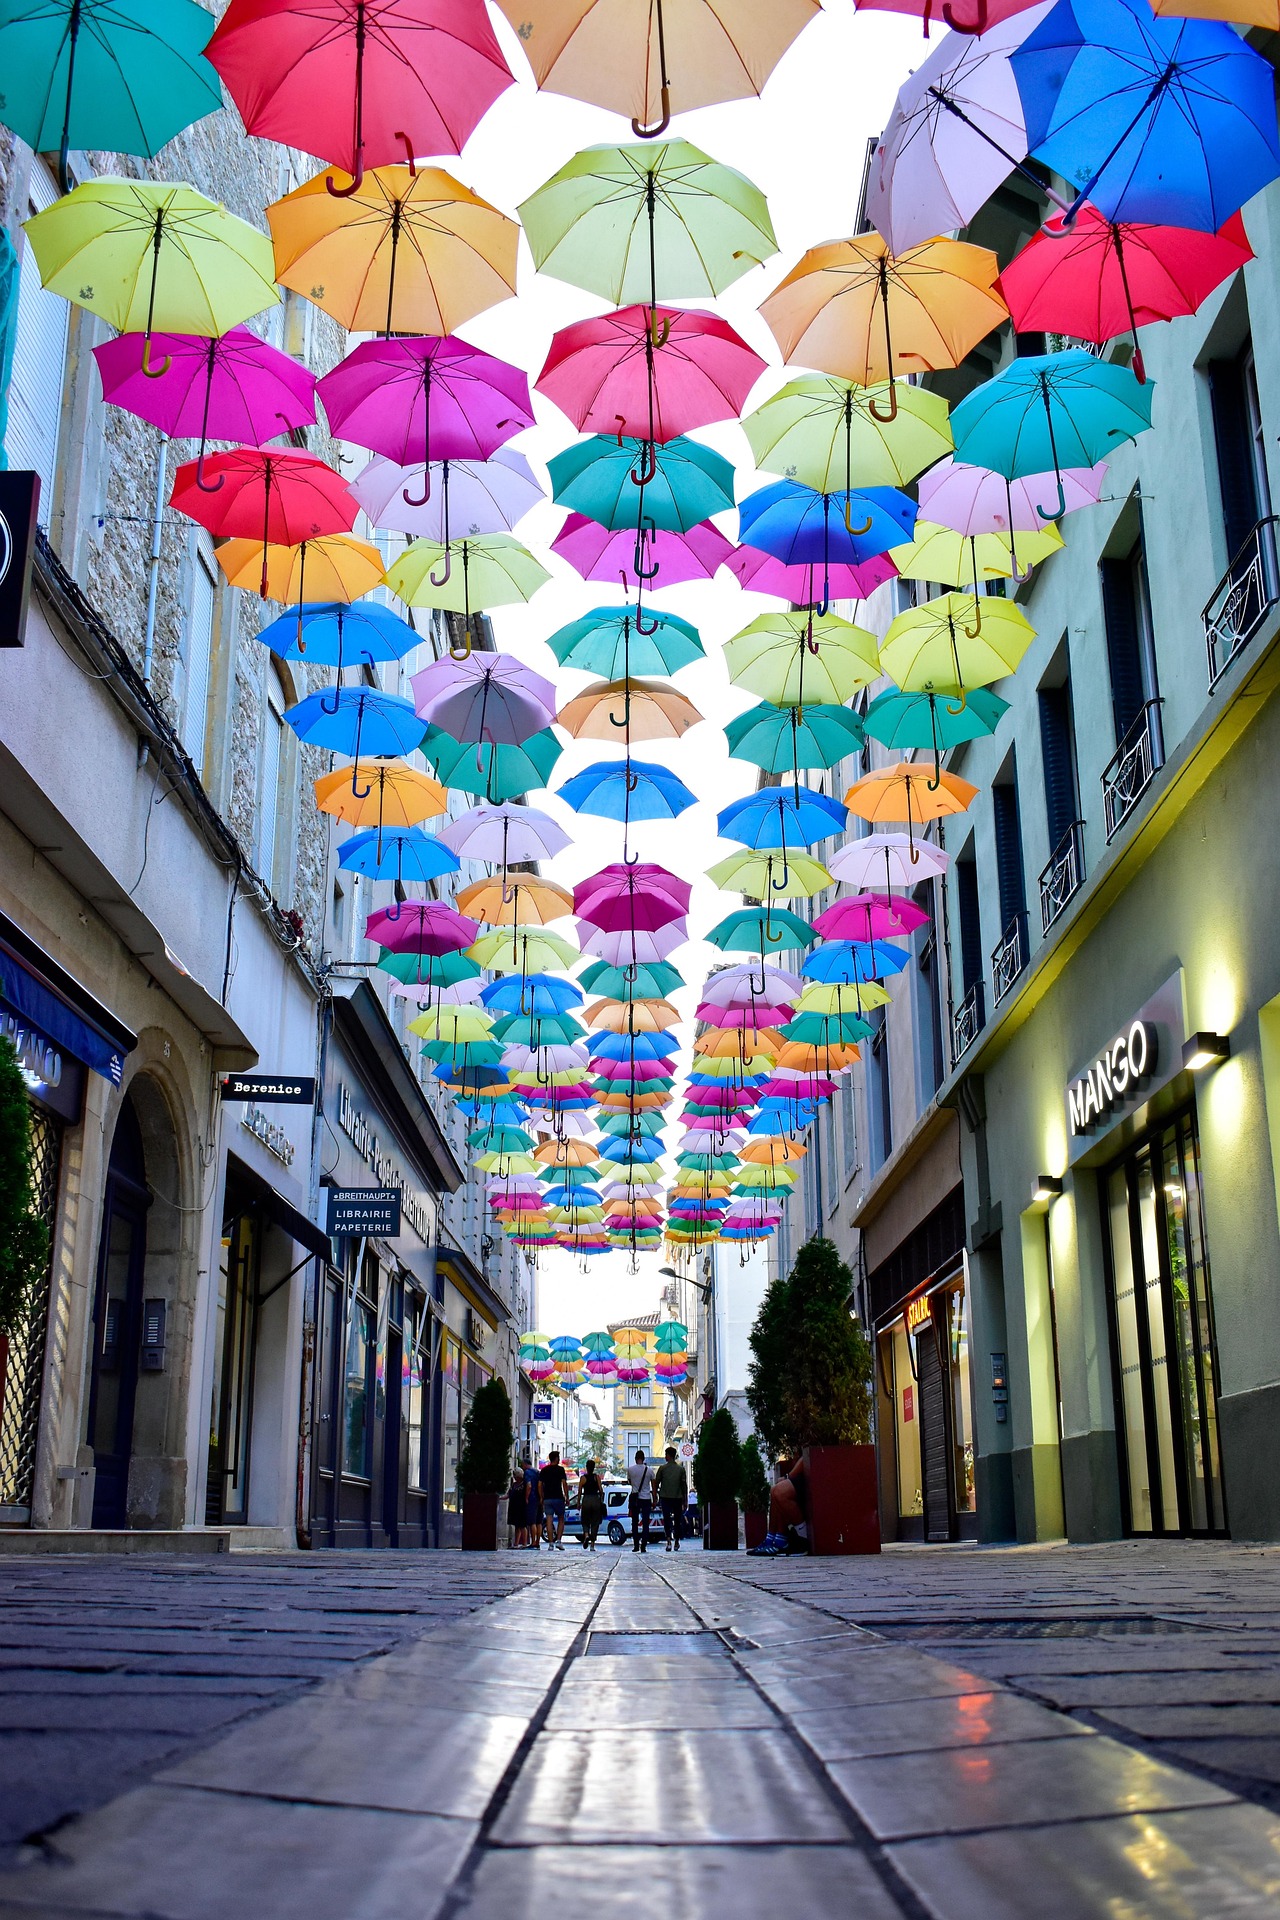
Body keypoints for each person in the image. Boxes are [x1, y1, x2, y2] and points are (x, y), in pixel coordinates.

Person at [748, 1455, 809, 1557]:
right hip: (805, 1473)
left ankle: (803, 1539)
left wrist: (788, 1477)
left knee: (780, 1492)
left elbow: (806, 1456)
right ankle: (774, 1539)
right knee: (774, 1490)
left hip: (814, 1474)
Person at [654, 1446, 689, 1552]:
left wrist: (655, 1495)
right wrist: (685, 1500)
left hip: (665, 1497)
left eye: (666, 1455)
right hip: (677, 1498)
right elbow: (684, 1486)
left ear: (668, 1456)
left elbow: (656, 1483)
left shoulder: (662, 1469)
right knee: (678, 1521)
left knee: (667, 1520)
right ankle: (677, 1541)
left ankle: (668, 1540)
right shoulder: (681, 1469)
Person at [540, 1449, 569, 1551]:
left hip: (547, 1498)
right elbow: (564, 1484)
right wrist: (567, 1497)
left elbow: (540, 1484)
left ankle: (551, 1543)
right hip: (558, 1497)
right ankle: (559, 1541)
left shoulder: (544, 1470)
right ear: (556, 1459)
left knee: (549, 1520)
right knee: (561, 1519)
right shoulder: (560, 1470)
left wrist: (541, 1497)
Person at [627, 1448, 654, 1552]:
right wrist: (655, 1498)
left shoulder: (630, 1470)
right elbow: (654, 1486)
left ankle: (636, 1545)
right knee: (646, 1523)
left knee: (634, 1522)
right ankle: (643, 1546)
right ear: (643, 1459)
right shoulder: (649, 1470)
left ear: (635, 1459)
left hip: (635, 1498)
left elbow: (630, 1482)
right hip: (646, 1498)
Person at [578, 1457, 605, 1551]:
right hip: (595, 1500)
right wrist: (601, 1499)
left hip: (586, 1500)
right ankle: (592, 1544)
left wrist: (578, 1503)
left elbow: (579, 1492)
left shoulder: (583, 1478)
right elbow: (601, 1491)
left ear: (586, 1467)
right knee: (595, 1522)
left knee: (585, 1520)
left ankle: (586, 1535)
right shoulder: (596, 1477)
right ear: (594, 1468)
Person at [521, 1453, 543, 1550]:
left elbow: (529, 1485)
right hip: (539, 1498)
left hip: (532, 1498)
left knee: (532, 1521)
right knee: (539, 1522)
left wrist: (526, 1497)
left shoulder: (527, 1473)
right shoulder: (537, 1472)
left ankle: (533, 1541)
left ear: (525, 1464)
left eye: (522, 1465)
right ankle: (538, 1541)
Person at [506, 1463, 527, 1549]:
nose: (514, 1477)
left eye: (515, 1475)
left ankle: (524, 1543)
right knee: (517, 1526)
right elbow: (508, 1494)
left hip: (521, 1507)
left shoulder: (524, 1484)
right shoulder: (513, 1485)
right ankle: (516, 1543)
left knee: (522, 1525)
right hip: (514, 1507)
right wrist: (500, 1498)